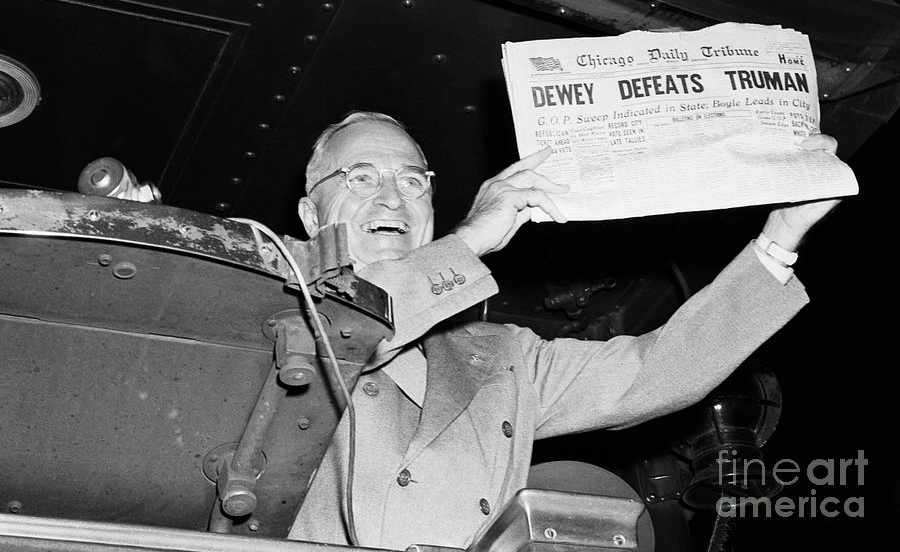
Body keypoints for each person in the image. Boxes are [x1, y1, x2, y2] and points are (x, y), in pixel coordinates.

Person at [289, 110, 840, 549]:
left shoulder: (499, 354)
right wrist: (470, 241)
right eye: (361, 177)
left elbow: (652, 372)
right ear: (312, 217)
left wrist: (780, 236)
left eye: (413, 180)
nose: (392, 196)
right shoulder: (264, 292)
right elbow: (345, 330)